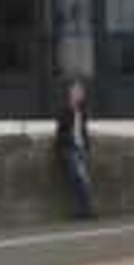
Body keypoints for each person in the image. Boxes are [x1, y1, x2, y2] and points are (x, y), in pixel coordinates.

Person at [55, 80, 95, 219]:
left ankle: (84, 210)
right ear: (71, 94)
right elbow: (61, 133)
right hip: (69, 149)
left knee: (81, 179)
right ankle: (85, 210)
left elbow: (83, 130)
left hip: (80, 149)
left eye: (81, 92)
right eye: (77, 92)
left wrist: (86, 146)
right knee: (80, 178)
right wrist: (72, 144)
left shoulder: (82, 111)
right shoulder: (64, 110)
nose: (80, 95)